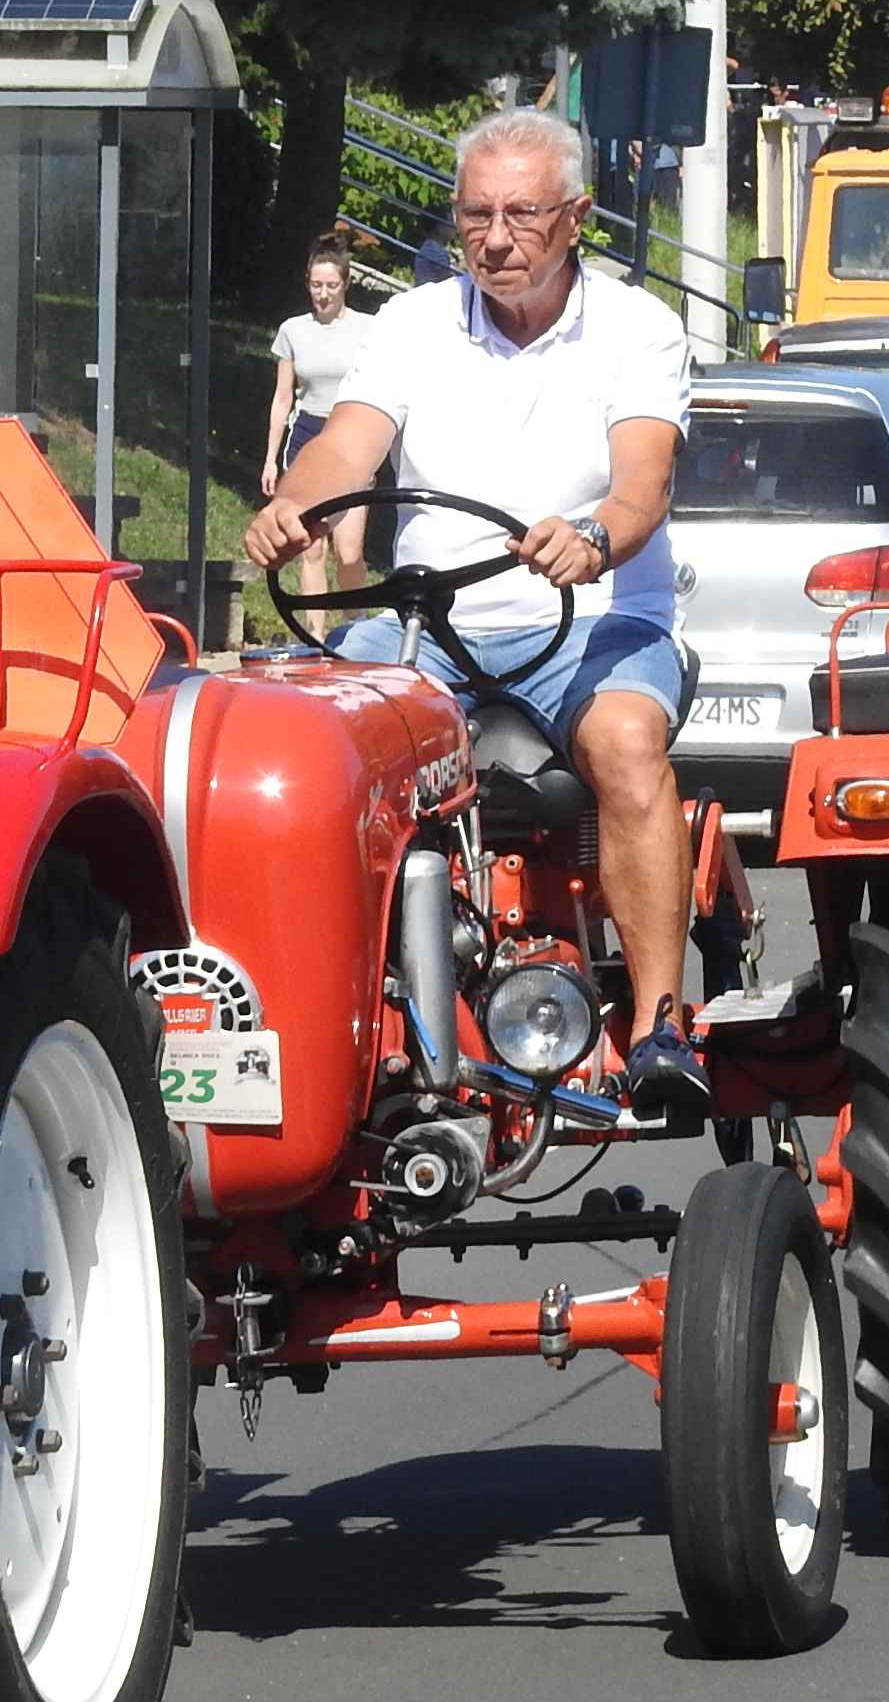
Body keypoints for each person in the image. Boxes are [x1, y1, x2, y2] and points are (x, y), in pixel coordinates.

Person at [240, 108, 706, 1119]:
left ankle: (662, 1024)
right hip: (426, 630)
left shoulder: (639, 328)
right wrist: (295, 504)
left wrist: (594, 541)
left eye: (522, 215)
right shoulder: (412, 324)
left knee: (625, 741)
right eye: (474, 216)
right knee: (301, 745)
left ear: (577, 217)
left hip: (592, 619)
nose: (495, 239)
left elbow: (641, 485)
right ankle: (324, 1024)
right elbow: (345, 447)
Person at [260, 237, 377, 625]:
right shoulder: (293, 330)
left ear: (345, 284)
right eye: (315, 285)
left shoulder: (369, 329)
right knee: (311, 549)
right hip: (307, 433)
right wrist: (271, 459)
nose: (322, 294)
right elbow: (282, 398)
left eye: (331, 286)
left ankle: (354, 629)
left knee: (349, 553)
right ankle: (316, 640)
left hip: (351, 435)